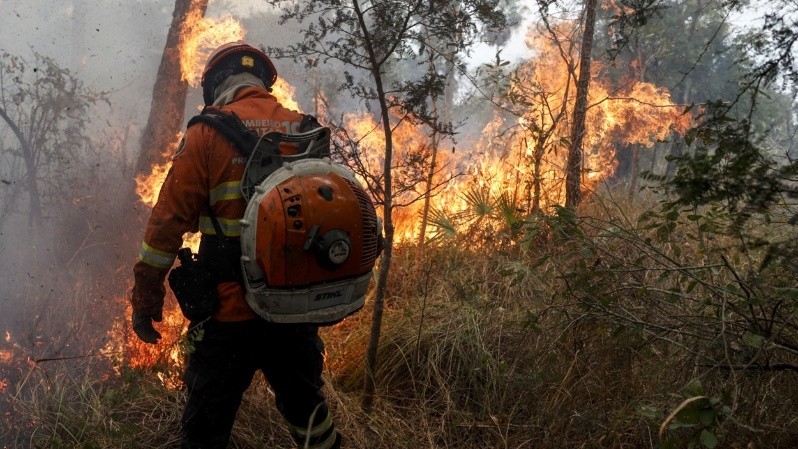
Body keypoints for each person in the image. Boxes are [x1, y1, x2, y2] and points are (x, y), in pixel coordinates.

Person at [130, 41, 341, 449]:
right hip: (294, 310)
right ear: (262, 81)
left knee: (205, 430)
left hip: (230, 313)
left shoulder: (206, 132)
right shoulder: (306, 129)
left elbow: (167, 225)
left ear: (216, 85)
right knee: (309, 414)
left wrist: (146, 297)